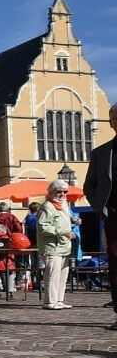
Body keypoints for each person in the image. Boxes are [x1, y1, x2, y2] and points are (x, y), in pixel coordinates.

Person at [84, 103, 117, 327]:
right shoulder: (102, 153)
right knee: (115, 264)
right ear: (111, 122)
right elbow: (90, 186)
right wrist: (100, 209)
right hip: (114, 216)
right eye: (116, 118)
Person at [36, 179, 76, 310]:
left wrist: (74, 222)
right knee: (53, 275)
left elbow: (63, 223)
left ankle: (59, 299)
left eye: (65, 192)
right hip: (52, 247)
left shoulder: (64, 206)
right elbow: (43, 227)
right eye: (60, 192)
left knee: (63, 275)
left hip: (64, 246)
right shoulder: (47, 206)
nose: (63, 194)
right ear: (52, 192)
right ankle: (50, 301)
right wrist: (63, 232)